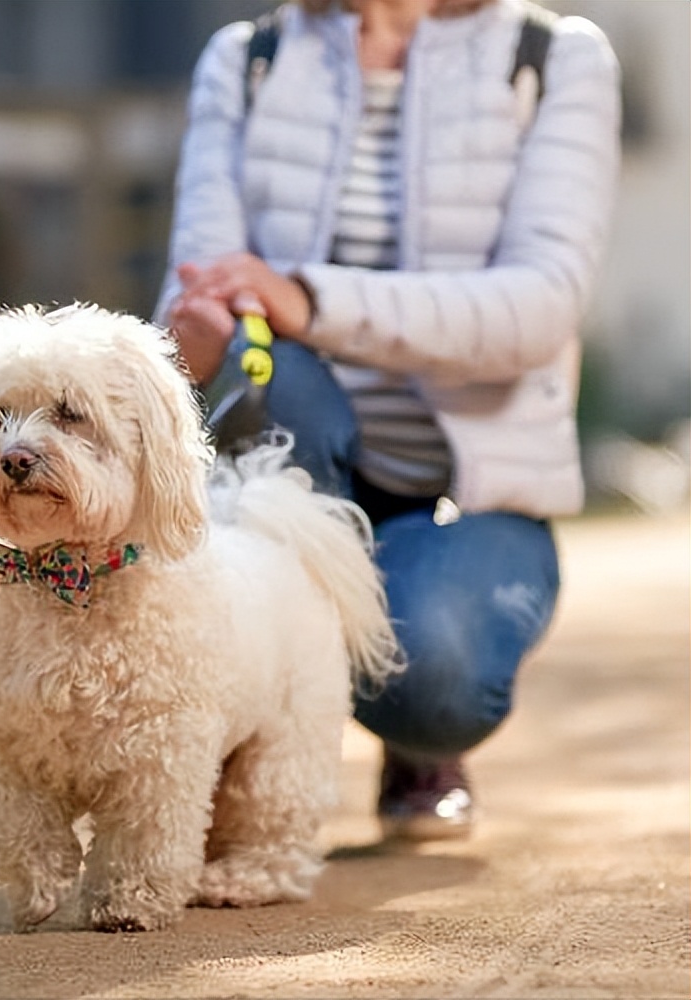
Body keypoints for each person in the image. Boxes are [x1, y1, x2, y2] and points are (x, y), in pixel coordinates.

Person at [154, 0, 621, 840]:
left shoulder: (552, 56)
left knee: (435, 684)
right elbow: (204, 288)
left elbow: (541, 306)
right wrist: (199, 335)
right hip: (293, 453)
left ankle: (415, 745)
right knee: (282, 383)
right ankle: (246, 756)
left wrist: (308, 299)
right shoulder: (248, 57)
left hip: (464, 492)